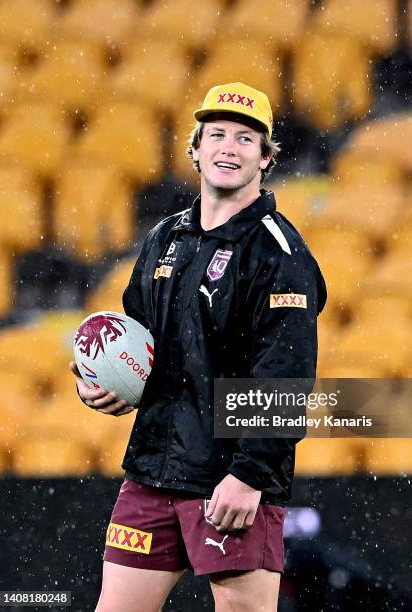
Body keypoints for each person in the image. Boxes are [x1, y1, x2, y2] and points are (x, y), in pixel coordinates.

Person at [70, 82, 327, 612]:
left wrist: (249, 475)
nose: (228, 148)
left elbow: (287, 375)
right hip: (151, 470)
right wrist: (98, 382)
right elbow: (137, 341)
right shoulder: (165, 238)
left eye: (244, 139)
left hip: (229, 480)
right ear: (194, 150)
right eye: (216, 135)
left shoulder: (280, 253)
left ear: (266, 158)